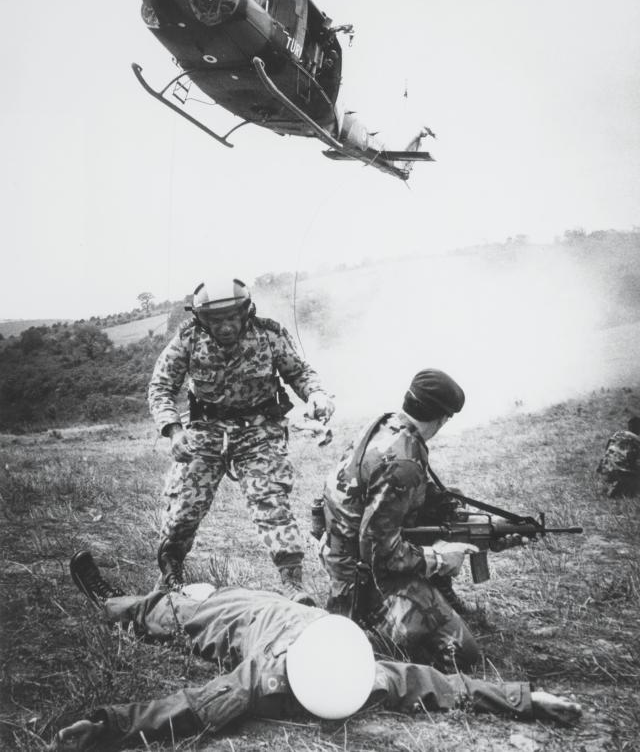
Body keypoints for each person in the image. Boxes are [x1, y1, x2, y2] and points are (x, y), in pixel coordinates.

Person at [53, 551, 581, 750]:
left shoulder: (360, 673)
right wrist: (107, 727)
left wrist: (529, 699)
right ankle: (116, 605)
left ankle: (149, 601)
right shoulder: (266, 679)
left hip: (302, 618)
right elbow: (191, 706)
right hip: (253, 616)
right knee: (181, 612)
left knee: (194, 604)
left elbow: (441, 684)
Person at [148, 277, 334, 604]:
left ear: (245, 311)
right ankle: (170, 573)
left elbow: (300, 374)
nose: (225, 327)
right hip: (206, 429)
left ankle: (293, 584)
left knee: (271, 501)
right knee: (185, 506)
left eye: (232, 318)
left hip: (260, 429)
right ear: (202, 320)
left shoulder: (269, 335)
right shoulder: (188, 340)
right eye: (216, 321)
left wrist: (317, 395)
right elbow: (160, 386)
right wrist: (174, 430)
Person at [322, 368, 485, 668]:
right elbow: (378, 553)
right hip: (362, 579)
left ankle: (432, 594)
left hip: (342, 549)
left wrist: (481, 528)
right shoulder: (404, 460)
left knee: (451, 502)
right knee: (464, 653)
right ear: (441, 418)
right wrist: (438, 558)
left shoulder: (387, 426)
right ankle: (365, 632)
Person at [596, 416, 640, 497]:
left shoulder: (617, 434)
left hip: (604, 467)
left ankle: (606, 484)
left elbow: (607, 449)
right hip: (620, 470)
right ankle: (620, 487)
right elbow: (634, 460)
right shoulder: (637, 440)